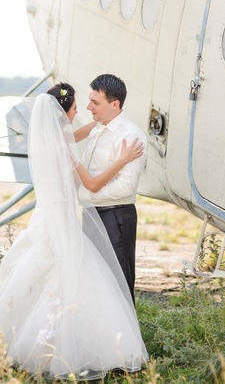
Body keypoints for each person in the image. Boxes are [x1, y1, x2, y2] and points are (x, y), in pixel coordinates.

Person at [0, 83, 148, 380]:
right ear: (62, 112)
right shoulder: (64, 150)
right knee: (69, 279)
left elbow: (77, 133)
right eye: (77, 107)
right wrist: (121, 160)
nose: (83, 110)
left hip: (49, 219)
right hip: (60, 222)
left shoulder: (52, 138)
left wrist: (101, 120)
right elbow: (91, 185)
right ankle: (67, 346)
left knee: (40, 276)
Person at [78, 74, 147, 303]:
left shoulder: (131, 135)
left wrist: (89, 193)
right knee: (93, 278)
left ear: (114, 104)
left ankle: (124, 337)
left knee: (118, 283)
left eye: (95, 103)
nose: (89, 107)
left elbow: (125, 188)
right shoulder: (98, 127)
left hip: (115, 217)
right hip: (92, 214)